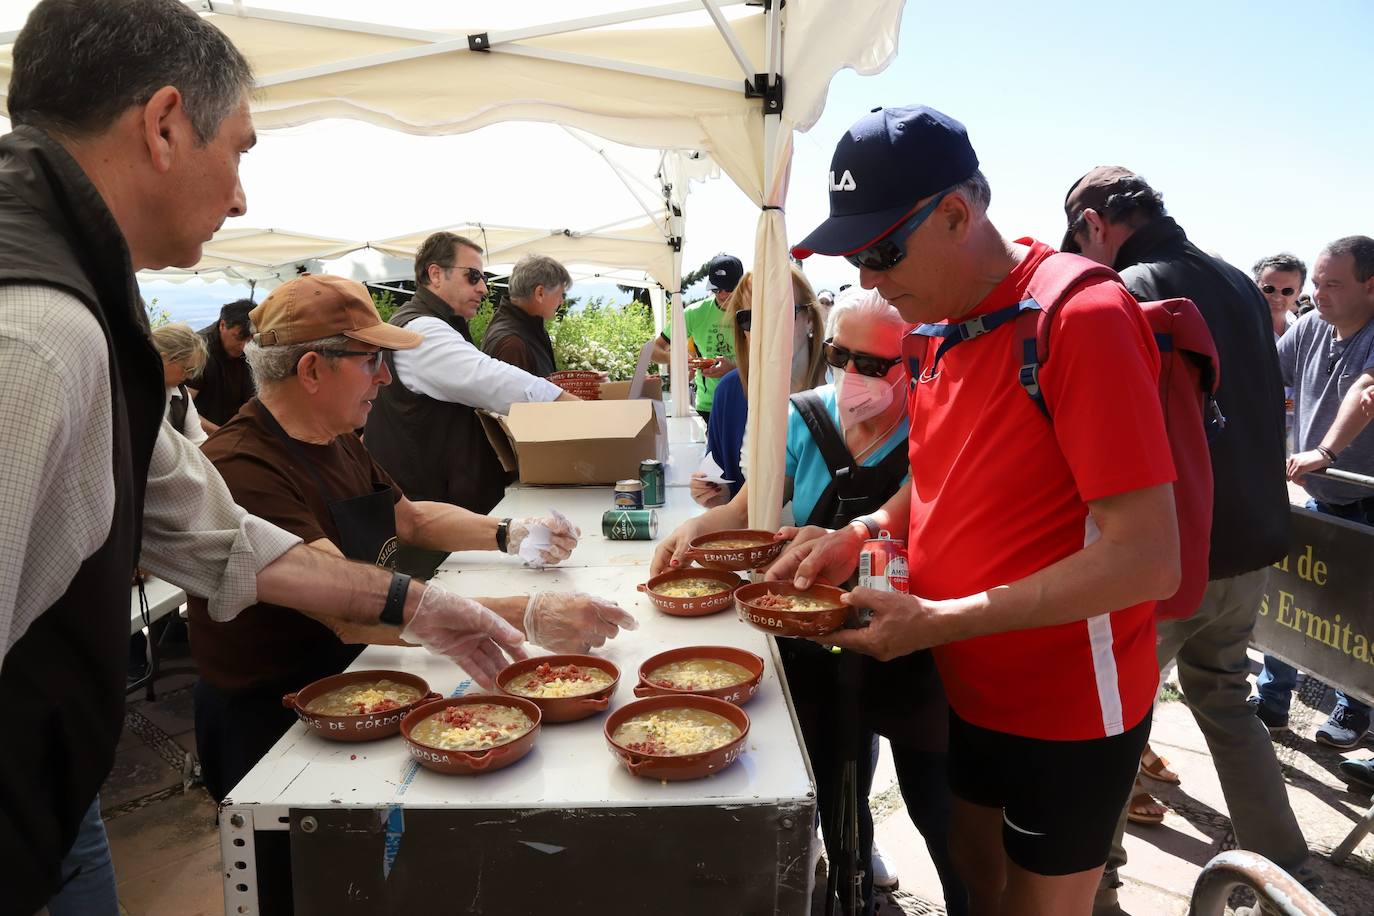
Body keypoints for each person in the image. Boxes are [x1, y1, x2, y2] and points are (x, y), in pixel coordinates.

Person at [0, 4, 536, 911]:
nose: (242, 196)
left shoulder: (84, 304)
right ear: (165, 124)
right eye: (241, 150)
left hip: (50, 792)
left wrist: (426, 604)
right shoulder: (37, 333)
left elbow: (222, 539)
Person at [774, 105, 1179, 916]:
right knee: (973, 871)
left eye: (881, 251)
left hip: (1069, 704)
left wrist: (938, 620)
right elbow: (935, 483)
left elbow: (1146, 557)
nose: (868, 279)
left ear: (958, 214)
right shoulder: (938, 333)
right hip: (971, 684)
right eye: (855, 257)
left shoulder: (1080, 317)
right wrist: (862, 531)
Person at [189, 274, 632, 800]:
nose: (385, 379)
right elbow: (345, 613)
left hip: (369, 684)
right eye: (372, 361)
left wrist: (510, 531)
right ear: (311, 370)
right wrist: (529, 612)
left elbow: (412, 518)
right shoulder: (241, 466)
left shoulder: (336, 438)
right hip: (281, 723)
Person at [657, 289, 965, 915]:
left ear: (913, 362)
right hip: (816, 633)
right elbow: (757, 502)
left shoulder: (937, 423)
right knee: (833, 776)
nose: (854, 375)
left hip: (914, 638)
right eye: (839, 355)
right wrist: (698, 528)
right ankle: (849, 877)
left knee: (939, 802)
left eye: (874, 364)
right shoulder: (805, 415)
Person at [1057, 167, 1314, 910]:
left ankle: (1093, 888)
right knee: (1226, 697)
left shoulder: (1131, 289)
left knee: (1116, 722)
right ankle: (1284, 867)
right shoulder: (1239, 282)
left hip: (1171, 557)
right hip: (1250, 545)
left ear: (1096, 224)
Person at [365, 233, 576, 546]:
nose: (483, 287)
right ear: (435, 274)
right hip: (427, 519)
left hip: (434, 510)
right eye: (473, 276)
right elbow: (490, 380)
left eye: (484, 277)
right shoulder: (421, 329)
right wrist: (574, 406)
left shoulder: (433, 323)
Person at [1261, 236, 1374, 749]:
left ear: (1370, 287)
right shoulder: (1309, 328)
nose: (1317, 294)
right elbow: (1264, 377)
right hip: (1322, 495)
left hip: (1365, 493)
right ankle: (1271, 697)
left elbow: (1365, 394)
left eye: (1333, 284)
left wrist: (1323, 453)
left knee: (1365, 612)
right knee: (1293, 597)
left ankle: (1355, 715)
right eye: (1319, 282)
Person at [690, 266, 828, 507]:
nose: (765, 328)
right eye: (750, 319)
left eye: (779, 311)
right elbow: (723, 484)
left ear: (810, 320)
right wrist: (715, 494)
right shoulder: (731, 392)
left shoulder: (842, 386)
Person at [649, 252, 744, 423]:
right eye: (716, 289)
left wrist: (733, 370)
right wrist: (674, 357)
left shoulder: (754, 312)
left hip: (746, 404)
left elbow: (770, 363)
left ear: (741, 285)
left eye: (729, 289)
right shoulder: (694, 313)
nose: (722, 295)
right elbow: (653, 350)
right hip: (707, 408)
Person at [481, 253, 570, 377]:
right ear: (540, 293)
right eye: (560, 294)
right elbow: (514, 395)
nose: (561, 301)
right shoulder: (512, 343)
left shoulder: (526, 328)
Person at [188, 297, 255, 432]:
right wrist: (222, 434)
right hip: (202, 436)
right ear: (222, 325)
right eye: (238, 338)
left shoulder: (252, 347)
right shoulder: (198, 350)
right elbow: (183, 408)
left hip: (238, 430)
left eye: (249, 340)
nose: (243, 347)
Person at [151, 321, 209, 445]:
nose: (189, 376)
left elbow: (198, 441)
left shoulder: (181, 396)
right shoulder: (132, 395)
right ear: (163, 358)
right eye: (187, 369)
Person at [1253, 252, 1307, 340]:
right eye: (1269, 289)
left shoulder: (1303, 332)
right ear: (1255, 287)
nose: (1277, 298)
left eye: (1287, 291)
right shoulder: (1236, 327)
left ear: (1298, 293)